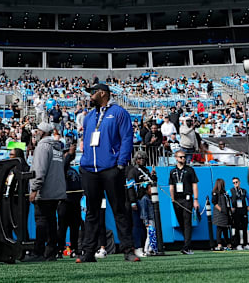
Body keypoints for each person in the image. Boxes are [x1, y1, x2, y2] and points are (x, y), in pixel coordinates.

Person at [76, 83, 139, 263]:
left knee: (120, 209)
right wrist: (84, 161)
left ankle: (128, 250)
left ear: (102, 93)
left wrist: (121, 164)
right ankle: (88, 252)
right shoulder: (89, 117)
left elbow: (127, 138)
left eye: (92, 93)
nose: (90, 96)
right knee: (91, 212)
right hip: (89, 169)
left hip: (111, 168)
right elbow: (85, 139)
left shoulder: (119, 113)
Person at [28, 122, 66, 262]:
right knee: (51, 221)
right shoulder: (57, 147)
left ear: (43, 132)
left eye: (37, 131)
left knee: (41, 221)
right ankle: (50, 252)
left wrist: (34, 189)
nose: (35, 133)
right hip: (56, 191)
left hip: (44, 191)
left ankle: (38, 252)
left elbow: (40, 169)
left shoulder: (43, 147)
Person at [168, 150, 199, 255]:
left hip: (187, 199)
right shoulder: (172, 171)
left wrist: (195, 199)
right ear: (176, 158)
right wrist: (172, 199)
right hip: (176, 199)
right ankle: (186, 243)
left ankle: (187, 246)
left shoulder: (190, 170)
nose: (183, 159)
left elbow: (194, 185)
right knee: (181, 222)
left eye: (184, 157)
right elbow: (171, 186)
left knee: (187, 222)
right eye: (181, 157)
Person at [126, 151, 155, 258]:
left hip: (148, 200)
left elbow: (153, 184)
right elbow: (130, 188)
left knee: (148, 225)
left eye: (143, 158)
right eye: (139, 158)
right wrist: (133, 201)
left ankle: (149, 247)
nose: (141, 160)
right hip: (138, 200)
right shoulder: (132, 171)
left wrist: (153, 177)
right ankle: (137, 247)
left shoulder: (147, 171)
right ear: (135, 160)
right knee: (137, 225)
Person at [230, 177, 249, 250]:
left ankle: (246, 244)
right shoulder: (230, 191)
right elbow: (227, 199)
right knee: (236, 228)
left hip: (243, 210)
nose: (235, 184)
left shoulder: (244, 191)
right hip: (236, 211)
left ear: (239, 182)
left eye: (236, 182)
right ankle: (238, 244)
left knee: (244, 227)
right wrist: (230, 207)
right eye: (234, 183)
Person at [211, 178, 232, 251]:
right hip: (219, 214)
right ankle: (219, 244)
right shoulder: (215, 192)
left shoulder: (224, 192)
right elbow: (214, 202)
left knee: (225, 229)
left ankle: (228, 244)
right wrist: (221, 209)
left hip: (225, 213)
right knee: (219, 229)